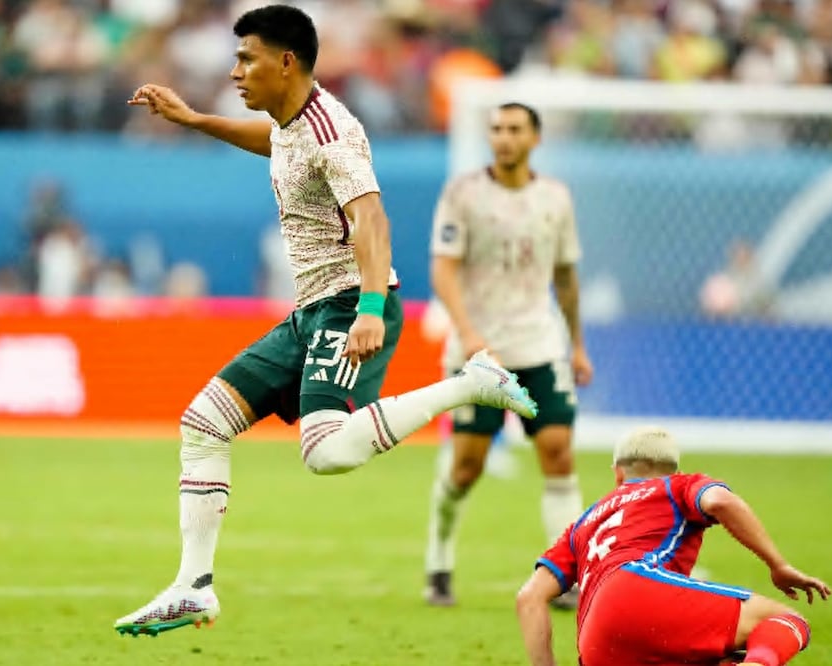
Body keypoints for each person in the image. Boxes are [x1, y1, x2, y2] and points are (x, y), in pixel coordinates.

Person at [114, 4, 538, 637]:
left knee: (327, 453)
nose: (235, 71)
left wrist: (369, 308)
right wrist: (194, 118)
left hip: (348, 304)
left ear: (286, 62)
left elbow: (371, 216)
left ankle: (472, 383)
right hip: (310, 311)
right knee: (203, 423)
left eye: (246, 58)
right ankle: (192, 587)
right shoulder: (290, 122)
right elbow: (277, 145)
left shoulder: (330, 129)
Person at [423, 102, 594, 609]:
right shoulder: (463, 193)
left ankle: (565, 577)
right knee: (466, 468)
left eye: (514, 129)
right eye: (496, 129)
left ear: (535, 138)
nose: (503, 137)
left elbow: (565, 276)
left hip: (539, 345)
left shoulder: (555, 198)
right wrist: (468, 332)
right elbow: (443, 270)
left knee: (558, 451)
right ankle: (439, 557)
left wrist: (578, 343)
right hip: (479, 352)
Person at [516, 426, 832, 666]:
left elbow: (529, 598)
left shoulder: (583, 523)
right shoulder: (676, 485)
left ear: (618, 473)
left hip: (595, 643)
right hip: (637, 587)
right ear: (674, 468)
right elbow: (720, 500)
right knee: (783, 623)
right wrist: (778, 565)